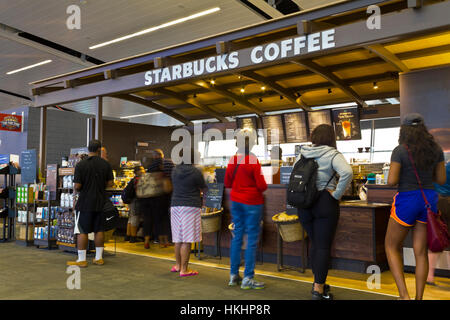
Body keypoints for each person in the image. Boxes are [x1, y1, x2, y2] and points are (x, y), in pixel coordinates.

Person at [386, 113, 446, 300]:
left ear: (404, 130)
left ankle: (404, 296)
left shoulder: (400, 150)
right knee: (420, 252)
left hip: (407, 200)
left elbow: (392, 180)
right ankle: (418, 298)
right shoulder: (436, 149)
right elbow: (441, 179)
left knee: (391, 246)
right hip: (429, 201)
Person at [296, 124, 353, 300]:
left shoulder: (303, 152)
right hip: (324, 203)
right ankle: (318, 290)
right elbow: (347, 173)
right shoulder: (332, 154)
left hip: (304, 204)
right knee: (322, 246)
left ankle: (317, 283)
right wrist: (336, 194)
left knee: (314, 243)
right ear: (331, 138)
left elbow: (294, 175)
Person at [225, 128, 267, 289]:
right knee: (251, 240)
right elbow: (262, 186)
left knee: (237, 237)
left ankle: (233, 275)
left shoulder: (233, 160)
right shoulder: (253, 160)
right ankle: (248, 278)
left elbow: (228, 183)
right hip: (252, 203)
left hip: (235, 201)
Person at [67, 140, 114, 267]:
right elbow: (110, 184)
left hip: (85, 202)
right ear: (99, 149)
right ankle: (98, 258)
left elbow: (77, 186)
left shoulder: (81, 165)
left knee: (83, 230)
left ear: (89, 149)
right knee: (99, 230)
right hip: (101, 201)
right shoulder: (106, 165)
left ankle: (82, 260)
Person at [170, 149, 206, 276]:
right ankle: (184, 270)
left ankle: (178, 265)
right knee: (187, 240)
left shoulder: (175, 170)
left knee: (178, 239)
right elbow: (203, 187)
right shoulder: (195, 171)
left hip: (175, 206)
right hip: (190, 206)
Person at [427, 160, 450, 285]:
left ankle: (430, 276)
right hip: (447, 202)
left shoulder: (439, 166)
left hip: (436, 203)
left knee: (436, 238)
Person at [141, 155, 168, 249]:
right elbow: (167, 188)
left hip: (145, 200)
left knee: (147, 220)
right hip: (158, 200)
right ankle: (162, 242)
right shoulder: (161, 174)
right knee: (159, 221)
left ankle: (146, 241)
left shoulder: (146, 174)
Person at [154, 148, 174, 247]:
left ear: (155, 156)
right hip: (169, 195)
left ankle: (159, 240)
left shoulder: (153, 165)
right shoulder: (170, 163)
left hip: (156, 195)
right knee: (167, 218)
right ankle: (168, 239)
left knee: (158, 218)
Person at [124, 166, 145, 243]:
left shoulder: (133, 179)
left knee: (131, 218)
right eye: (142, 170)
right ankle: (133, 237)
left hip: (132, 201)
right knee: (135, 218)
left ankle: (128, 235)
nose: (143, 171)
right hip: (136, 200)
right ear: (137, 171)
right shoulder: (138, 179)